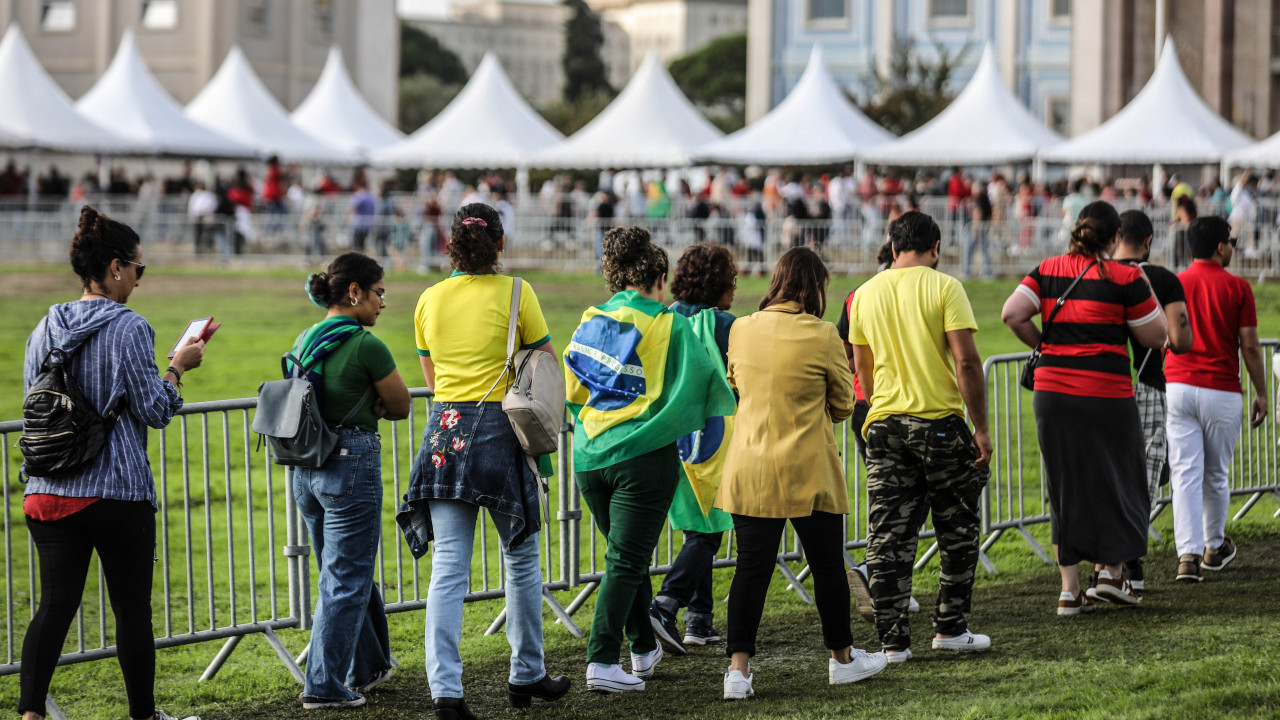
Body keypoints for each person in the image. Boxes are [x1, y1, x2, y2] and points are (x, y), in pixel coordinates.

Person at [19, 206, 206, 720]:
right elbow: (154, 410)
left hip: (47, 486)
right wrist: (176, 368)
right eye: (139, 270)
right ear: (117, 267)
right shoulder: (129, 327)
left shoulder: (45, 326)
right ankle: (144, 716)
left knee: (54, 606)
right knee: (131, 611)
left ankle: (31, 712)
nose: (140, 282)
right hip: (115, 489)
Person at [397, 203, 569, 720]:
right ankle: (526, 672)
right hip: (502, 431)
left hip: (445, 432)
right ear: (499, 242)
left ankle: (445, 692)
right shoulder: (519, 292)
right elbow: (543, 363)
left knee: (448, 569)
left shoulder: (428, 299)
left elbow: (433, 378)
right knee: (520, 557)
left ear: (451, 244)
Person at [564, 227, 735, 694]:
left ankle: (643, 647)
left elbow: (574, 389)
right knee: (625, 559)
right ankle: (601, 660)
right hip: (642, 455)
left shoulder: (593, 316)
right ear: (660, 277)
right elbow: (707, 386)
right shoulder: (669, 324)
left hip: (588, 454)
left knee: (629, 556)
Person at [718, 247, 887, 700]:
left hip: (750, 467)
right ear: (816, 287)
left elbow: (735, 384)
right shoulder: (824, 334)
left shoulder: (741, 329)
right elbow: (843, 402)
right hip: (808, 468)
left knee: (751, 569)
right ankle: (843, 659)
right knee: (828, 566)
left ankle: (738, 671)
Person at [1001, 201, 1168, 616]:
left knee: (1065, 486)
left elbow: (1012, 314)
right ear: (1115, 237)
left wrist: (1047, 345)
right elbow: (1156, 335)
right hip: (1107, 393)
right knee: (1119, 477)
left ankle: (1069, 591)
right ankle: (1112, 572)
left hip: (1052, 393)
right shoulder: (1125, 276)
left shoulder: (1046, 269)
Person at [847, 211, 993, 663]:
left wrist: (882, 407)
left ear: (892, 247)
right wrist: (982, 428)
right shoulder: (944, 287)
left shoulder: (864, 295)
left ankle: (893, 643)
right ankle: (950, 627)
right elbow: (967, 362)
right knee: (959, 527)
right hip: (939, 422)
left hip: (885, 423)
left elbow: (862, 371)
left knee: (888, 536)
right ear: (935, 248)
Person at [292, 253, 411, 710]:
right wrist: (374, 407)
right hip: (351, 465)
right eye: (380, 292)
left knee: (341, 572)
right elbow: (400, 406)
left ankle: (369, 665)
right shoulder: (366, 345)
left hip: (307, 468)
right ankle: (323, 685)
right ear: (356, 292)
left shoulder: (305, 338)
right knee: (346, 578)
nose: (384, 302)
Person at [1164, 216, 1269, 582]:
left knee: (1185, 473)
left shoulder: (1174, 282)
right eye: (1232, 243)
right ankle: (1213, 546)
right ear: (1221, 247)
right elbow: (1251, 346)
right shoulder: (1238, 288)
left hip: (1177, 385)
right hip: (1221, 388)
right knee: (1215, 474)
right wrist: (1262, 391)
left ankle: (1186, 558)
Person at [648, 244, 739, 654]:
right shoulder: (725, 325)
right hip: (713, 438)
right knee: (709, 530)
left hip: (669, 435)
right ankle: (666, 604)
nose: (735, 289)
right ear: (717, 283)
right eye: (732, 281)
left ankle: (699, 621)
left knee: (695, 527)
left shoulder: (662, 318)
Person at [1101, 211, 1194, 598]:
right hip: (1149, 385)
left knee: (1106, 476)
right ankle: (1130, 567)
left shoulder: (1098, 275)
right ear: (1150, 241)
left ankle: (1105, 566)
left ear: (1116, 236)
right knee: (1143, 478)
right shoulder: (1162, 278)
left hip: (1101, 387)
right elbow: (1181, 339)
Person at [348, 180, 375, 253]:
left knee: (357, 245)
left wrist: (348, 217)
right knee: (362, 244)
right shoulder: (370, 197)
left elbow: (353, 207)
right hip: (368, 223)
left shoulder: (359, 196)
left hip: (359, 223)